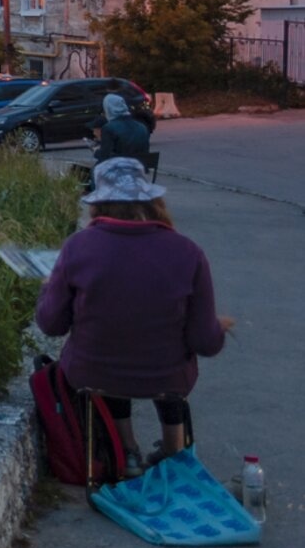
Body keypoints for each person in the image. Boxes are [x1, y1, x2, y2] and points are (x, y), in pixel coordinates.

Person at [35, 158, 231, 470]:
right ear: (153, 202)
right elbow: (204, 341)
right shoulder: (187, 252)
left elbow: (51, 324)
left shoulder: (77, 247)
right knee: (164, 352)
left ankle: (126, 450)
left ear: (97, 204)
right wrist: (218, 328)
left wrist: (48, 288)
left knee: (115, 343)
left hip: (92, 373)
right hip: (168, 375)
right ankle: (173, 448)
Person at [93, 92, 153, 164]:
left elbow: (105, 156)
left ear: (108, 109)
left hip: (120, 169)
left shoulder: (109, 128)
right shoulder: (142, 127)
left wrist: (96, 152)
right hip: (139, 168)